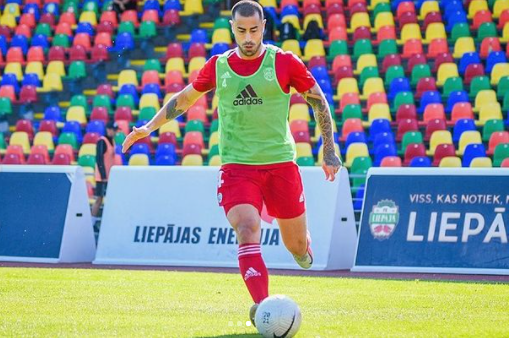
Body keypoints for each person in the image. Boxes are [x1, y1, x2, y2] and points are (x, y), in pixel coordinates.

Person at [121, 0, 341, 326]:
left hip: (281, 165)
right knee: (246, 227)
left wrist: (329, 149)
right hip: (237, 168)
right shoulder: (218, 66)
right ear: (232, 30)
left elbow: (317, 101)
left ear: (264, 26)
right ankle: (264, 306)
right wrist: (148, 127)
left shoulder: (284, 62)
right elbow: (184, 99)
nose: (248, 37)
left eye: (254, 30)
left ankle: (302, 246)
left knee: (296, 249)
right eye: (241, 31)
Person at [91, 121, 118, 224]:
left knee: (109, 199)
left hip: (109, 176)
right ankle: (91, 222)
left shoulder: (112, 141)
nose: (115, 132)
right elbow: (99, 159)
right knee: (99, 199)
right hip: (102, 177)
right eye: (113, 130)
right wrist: (103, 175)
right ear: (108, 130)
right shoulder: (102, 141)